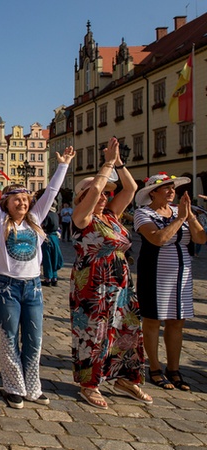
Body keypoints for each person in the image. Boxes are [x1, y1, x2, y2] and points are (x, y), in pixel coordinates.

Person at [0, 142, 75, 409]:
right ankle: (13, 386)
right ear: (7, 202)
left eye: (26, 200)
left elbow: (51, 192)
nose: (22, 202)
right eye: (16, 199)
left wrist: (63, 165)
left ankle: (33, 386)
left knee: (34, 338)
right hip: (5, 287)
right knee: (9, 338)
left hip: (33, 287)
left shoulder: (36, 220)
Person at [69, 138, 149, 410]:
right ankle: (88, 384)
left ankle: (126, 378)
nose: (104, 196)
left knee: (127, 330)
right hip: (93, 284)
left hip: (121, 282)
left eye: (105, 194)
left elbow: (132, 188)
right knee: (94, 333)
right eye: (99, 193)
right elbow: (93, 194)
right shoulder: (82, 217)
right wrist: (105, 165)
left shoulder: (112, 216)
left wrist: (119, 163)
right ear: (83, 195)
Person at [134, 173, 206, 392]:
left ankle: (174, 369)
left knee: (177, 321)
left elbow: (201, 239)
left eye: (172, 187)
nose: (171, 191)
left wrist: (190, 217)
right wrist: (180, 219)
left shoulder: (180, 211)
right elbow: (158, 239)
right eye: (165, 187)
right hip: (155, 272)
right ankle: (154, 368)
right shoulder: (142, 213)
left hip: (181, 273)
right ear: (152, 192)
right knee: (153, 320)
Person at [38, 192, 63, 286]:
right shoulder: (55, 214)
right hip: (55, 237)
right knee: (54, 257)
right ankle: (54, 278)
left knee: (47, 258)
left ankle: (48, 278)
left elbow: (43, 225)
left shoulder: (47, 214)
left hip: (47, 237)